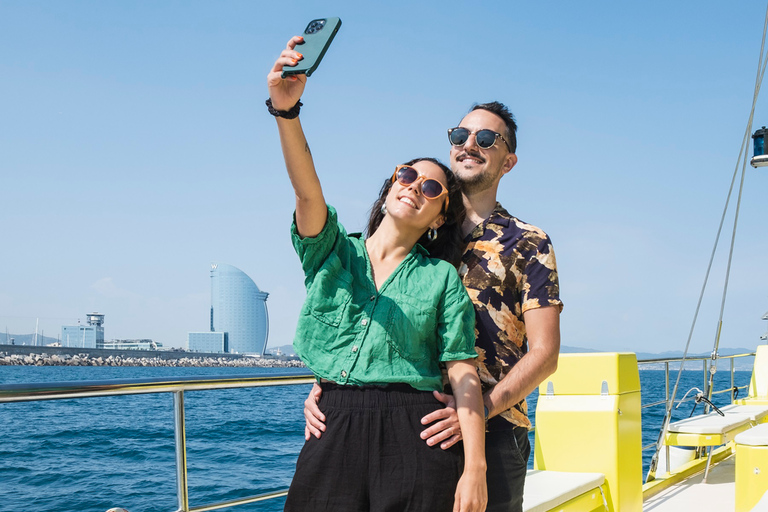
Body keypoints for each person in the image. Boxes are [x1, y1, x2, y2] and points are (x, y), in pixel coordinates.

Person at [304, 101, 563, 512]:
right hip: (412, 427)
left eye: (486, 139)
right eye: (460, 136)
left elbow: (545, 354)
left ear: (508, 160)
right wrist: (335, 385)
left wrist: (475, 411)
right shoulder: (420, 228)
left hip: (493, 430)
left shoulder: (528, 241)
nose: (469, 145)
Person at [268, 37, 488, 512]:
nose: (414, 188)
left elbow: (462, 371)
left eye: (431, 188)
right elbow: (308, 193)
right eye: (406, 176)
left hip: (417, 430)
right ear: (392, 183)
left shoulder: (441, 279)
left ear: (439, 218)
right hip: (333, 421)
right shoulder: (333, 253)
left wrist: (475, 469)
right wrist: (287, 112)